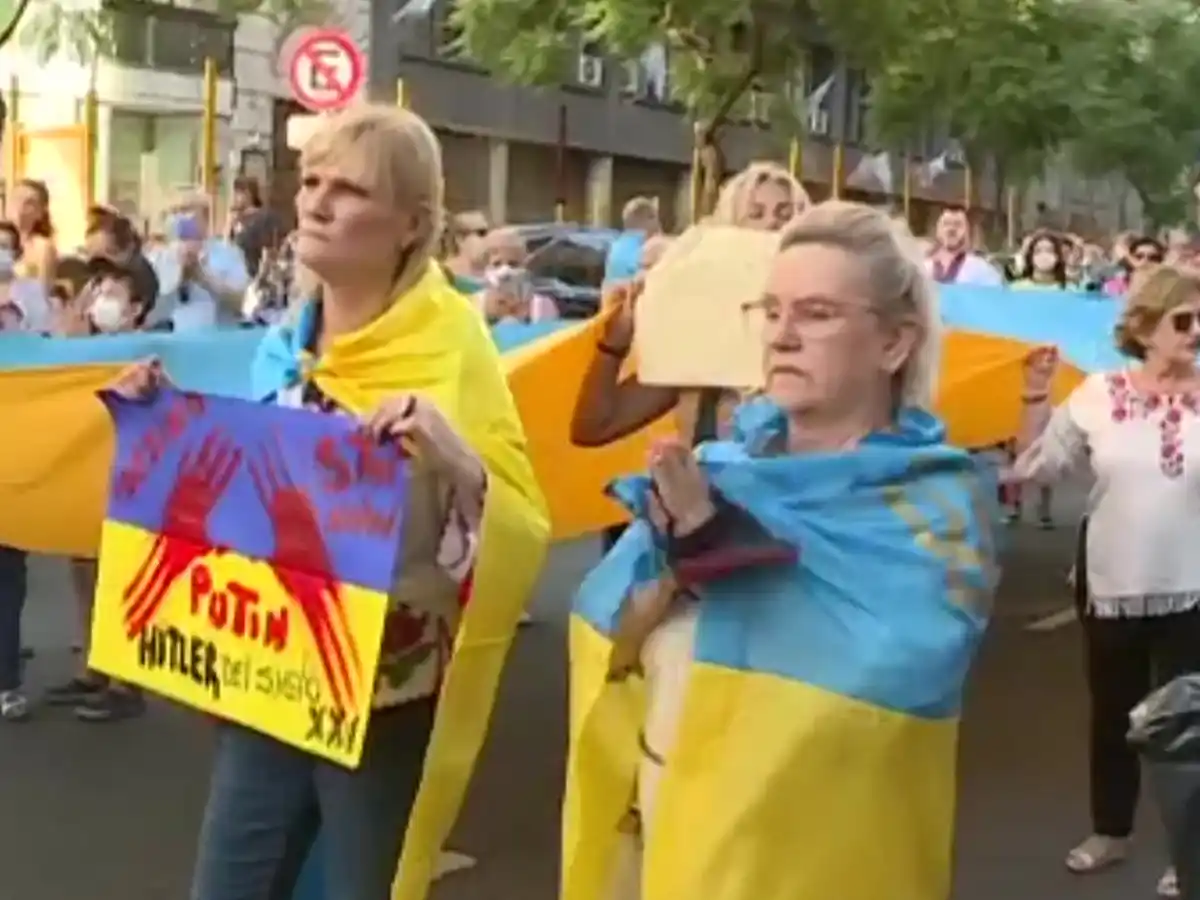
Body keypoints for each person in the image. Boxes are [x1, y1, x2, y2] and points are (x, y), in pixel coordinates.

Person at [111, 104, 548, 900]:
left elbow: (520, 524)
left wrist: (460, 464)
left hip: (385, 695)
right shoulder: (285, 343)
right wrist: (167, 424)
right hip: (269, 674)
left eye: (348, 189)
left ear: (411, 225)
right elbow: (249, 498)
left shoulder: (453, 345)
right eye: (311, 181)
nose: (315, 201)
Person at [564, 201, 996, 900]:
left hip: (820, 863)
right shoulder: (718, 467)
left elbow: (900, 666)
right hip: (669, 833)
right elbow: (607, 640)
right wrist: (681, 563)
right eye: (771, 312)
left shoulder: (935, 499)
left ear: (894, 343)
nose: (783, 337)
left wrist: (725, 549)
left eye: (818, 313)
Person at [1010, 265, 1200, 899]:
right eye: (1184, 320)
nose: (1196, 332)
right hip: (1112, 582)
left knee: (1187, 728)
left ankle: (1189, 854)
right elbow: (1035, 468)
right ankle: (1110, 831)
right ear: (1144, 328)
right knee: (1114, 717)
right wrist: (1036, 397)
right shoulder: (1097, 394)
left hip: (1192, 586)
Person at [571, 161, 809, 452]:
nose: (772, 224)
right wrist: (614, 344)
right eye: (755, 214)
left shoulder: (821, 340)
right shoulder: (697, 340)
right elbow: (593, 427)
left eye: (785, 215)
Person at [145, 191, 250, 332]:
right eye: (179, 213)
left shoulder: (228, 254)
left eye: (191, 214)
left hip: (217, 342)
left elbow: (242, 304)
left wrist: (204, 279)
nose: (185, 221)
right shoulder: (158, 257)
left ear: (206, 219)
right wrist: (177, 278)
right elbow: (149, 311)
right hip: (172, 343)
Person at [475, 227, 558, 323]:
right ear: (486, 267)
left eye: (513, 264)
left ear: (524, 266)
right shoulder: (474, 304)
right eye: (497, 264)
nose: (505, 271)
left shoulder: (542, 306)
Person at [925, 205, 1003, 286]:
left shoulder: (981, 268)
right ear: (938, 231)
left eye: (958, 224)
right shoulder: (924, 267)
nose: (951, 229)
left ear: (968, 231)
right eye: (946, 224)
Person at [7, 178, 57, 296]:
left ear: (40, 213)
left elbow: (43, 292)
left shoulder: (42, 247)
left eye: (29, 203)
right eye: (17, 199)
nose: (21, 207)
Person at [227, 176, 283, 278]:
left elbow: (270, 249)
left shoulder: (264, 217)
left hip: (256, 275)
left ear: (248, 194)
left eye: (238, 193)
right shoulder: (235, 219)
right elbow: (227, 247)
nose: (234, 198)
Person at [604, 196, 662, 286]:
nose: (659, 223)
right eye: (655, 218)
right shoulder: (647, 247)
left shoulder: (616, 246)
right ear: (649, 218)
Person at [442, 209, 490, 293]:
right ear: (460, 239)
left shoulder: (493, 274)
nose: (489, 238)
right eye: (482, 233)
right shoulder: (443, 276)